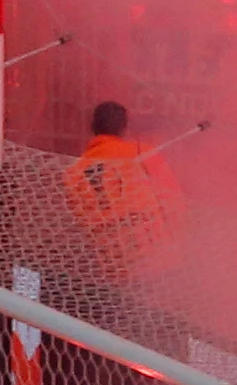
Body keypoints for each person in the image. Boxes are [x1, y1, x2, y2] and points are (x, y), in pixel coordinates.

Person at [66, 98, 180, 276]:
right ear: (125, 128)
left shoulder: (74, 172)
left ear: (92, 127)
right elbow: (174, 200)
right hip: (156, 262)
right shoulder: (143, 153)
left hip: (110, 268)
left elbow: (80, 220)